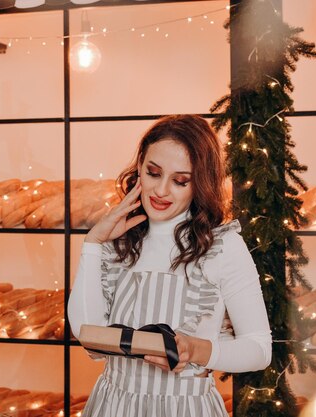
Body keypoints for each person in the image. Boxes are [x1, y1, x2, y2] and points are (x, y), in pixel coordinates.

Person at [68, 114, 272, 417]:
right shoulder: (118, 240)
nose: (161, 191)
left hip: (187, 408)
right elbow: (87, 334)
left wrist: (195, 350)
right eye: (153, 173)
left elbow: (259, 350)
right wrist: (93, 243)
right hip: (113, 405)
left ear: (199, 184)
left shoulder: (223, 246)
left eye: (180, 181)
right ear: (139, 168)